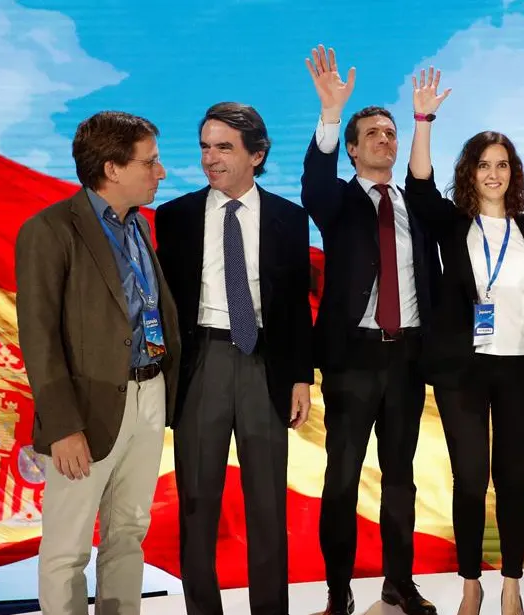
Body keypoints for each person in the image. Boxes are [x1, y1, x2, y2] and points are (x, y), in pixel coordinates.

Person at [404, 68, 524, 615]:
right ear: (469, 172)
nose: (493, 173)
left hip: (521, 369)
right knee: (469, 480)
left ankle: (512, 584)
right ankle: (471, 582)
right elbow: (419, 186)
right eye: (483, 164)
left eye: (502, 164)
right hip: (462, 371)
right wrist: (423, 119)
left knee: (511, 480)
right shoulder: (453, 224)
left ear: (513, 172)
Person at [15, 110, 181, 615]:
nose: (161, 172)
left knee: (128, 533)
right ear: (112, 169)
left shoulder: (138, 227)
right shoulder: (49, 230)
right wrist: (63, 425)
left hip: (149, 394)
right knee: (67, 548)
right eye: (149, 162)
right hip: (84, 410)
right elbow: (39, 337)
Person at [155, 102, 314, 615]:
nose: (210, 158)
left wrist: (300, 378)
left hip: (264, 364)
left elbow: (293, 307)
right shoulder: (175, 217)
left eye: (223, 146)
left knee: (267, 505)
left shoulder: (289, 219)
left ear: (257, 155)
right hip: (202, 364)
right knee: (197, 504)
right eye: (205, 146)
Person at [301, 45, 440, 615]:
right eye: (373, 134)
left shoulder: (417, 203)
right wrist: (333, 114)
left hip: (406, 358)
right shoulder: (336, 202)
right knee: (341, 478)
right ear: (354, 149)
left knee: (401, 479)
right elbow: (313, 180)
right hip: (352, 359)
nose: (385, 138)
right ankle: (338, 592)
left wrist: (423, 121)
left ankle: (398, 583)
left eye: (390, 131)